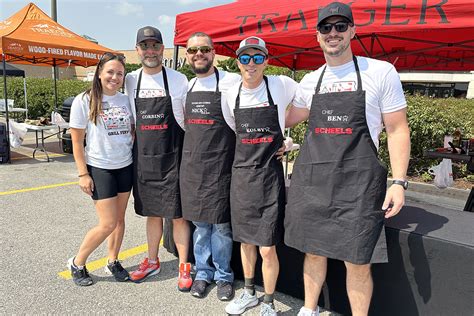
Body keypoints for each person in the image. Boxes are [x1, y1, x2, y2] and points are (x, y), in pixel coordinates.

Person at [284, 2, 411, 316]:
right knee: (313, 252)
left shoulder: (380, 71)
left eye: (341, 26)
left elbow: (397, 129)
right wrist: (258, 85)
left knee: (357, 259)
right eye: (326, 27)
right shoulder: (311, 80)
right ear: (317, 36)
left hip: (358, 184)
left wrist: (398, 182)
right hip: (313, 183)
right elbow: (286, 118)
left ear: (353, 30)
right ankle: (309, 309)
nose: (333, 33)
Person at [222, 37, 297, 316]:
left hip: (269, 178)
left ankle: (268, 302)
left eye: (257, 58)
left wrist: (288, 139)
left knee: (267, 247)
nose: (250, 64)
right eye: (245, 58)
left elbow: (309, 102)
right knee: (246, 242)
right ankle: (249, 292)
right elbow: (233, 126)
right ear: (238, 62)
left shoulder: (281, 85)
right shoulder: (230, 94)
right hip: (241, 178)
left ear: (266, 61)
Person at [124, 26, 192, 291]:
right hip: (144, 160)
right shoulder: (130, 79)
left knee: (178, 217)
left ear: (162, 48)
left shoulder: (178, 80)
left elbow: (189, 120)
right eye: (145, 46)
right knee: (152, 214)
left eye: (155, 45)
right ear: (137, 49)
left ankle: (184, 266)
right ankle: (152, 261)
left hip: (173, 159)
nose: (150, 51)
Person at [180, 32, 241, 300]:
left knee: (222, 227)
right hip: (193, 168)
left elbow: (243, 123)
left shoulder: (231, 82)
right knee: (201, 227)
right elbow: (183, 124)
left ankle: (224, 276)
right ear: (187, 55)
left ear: (213, 52)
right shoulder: (186, 88)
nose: (199, 54)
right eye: (193, 50)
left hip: (222, 168)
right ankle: (203, 274)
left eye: (204, 49)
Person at [67, 52, 133, 286]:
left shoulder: (126, 100)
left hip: (125, 166)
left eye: (120, 74)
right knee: (107, 223)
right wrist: (83, 173)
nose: (115, 77)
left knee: (120, 220)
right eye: (110, 72)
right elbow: (76, 141)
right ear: (99, 73)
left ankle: (113, 260)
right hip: (100, 168)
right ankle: (77, 262)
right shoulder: (84, 100)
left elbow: (131, 131)